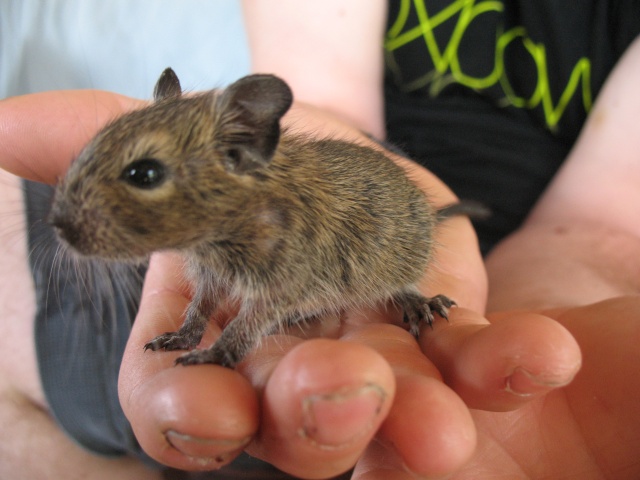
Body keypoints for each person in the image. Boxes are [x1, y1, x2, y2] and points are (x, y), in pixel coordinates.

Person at [1, 1, 639, 479]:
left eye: (143, 176)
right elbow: (213, 273)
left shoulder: (270, 231)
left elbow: (271, 299)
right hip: (357, 176)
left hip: (448, 276)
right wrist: (193, 324)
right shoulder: (210, 230)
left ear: (242, 149)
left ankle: (408, 296)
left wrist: (223, 352)